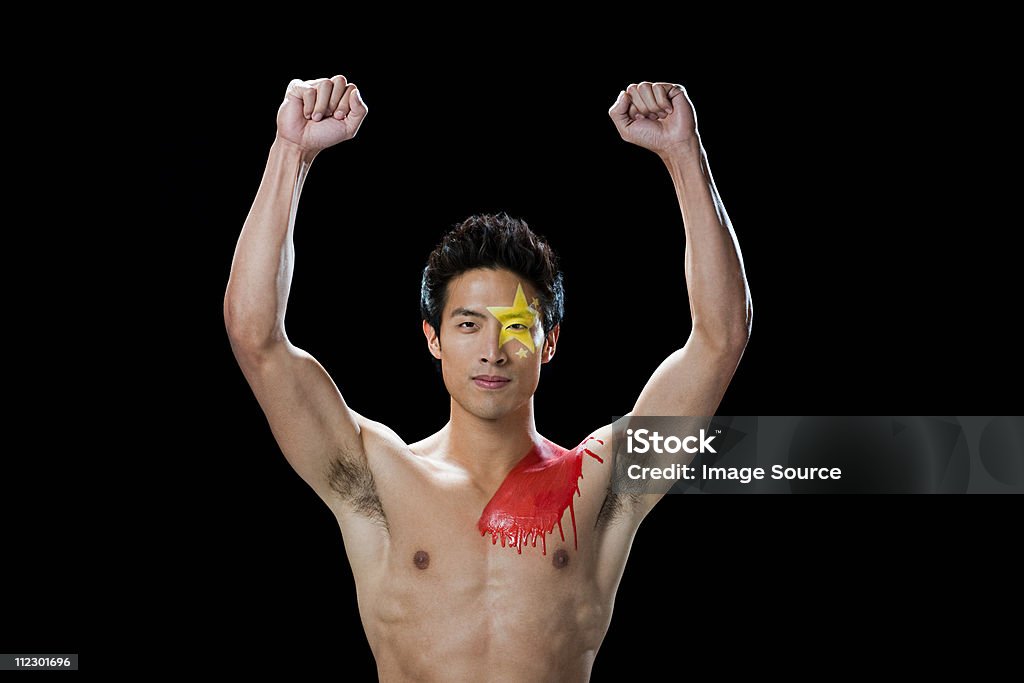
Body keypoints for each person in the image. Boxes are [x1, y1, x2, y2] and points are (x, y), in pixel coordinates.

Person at [224, 74, 752, 682]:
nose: (494, 351)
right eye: (469, 324)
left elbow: (720, 339)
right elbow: (254, 335)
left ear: (548, 342)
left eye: (517, 326)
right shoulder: (379, 475)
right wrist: (291, 153)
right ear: (434, 339)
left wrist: (685, 154)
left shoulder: (602, 481)